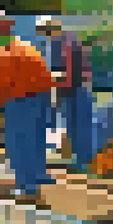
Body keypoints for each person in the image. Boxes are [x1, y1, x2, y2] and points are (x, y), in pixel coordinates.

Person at [0, 19, 55, 197]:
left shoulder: (5, 53)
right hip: (41, 97)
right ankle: (39, 175)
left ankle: (26, 185)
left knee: (19, 142)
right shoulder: (25, 46)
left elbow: (5, 84)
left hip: (22, 99)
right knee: (36, 138)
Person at [37, 18, 95, 171]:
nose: (44, 34)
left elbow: (66, 70)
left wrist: (56, 91)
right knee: (74, 126)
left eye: (45, 30)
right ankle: (81, 161)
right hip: (72, 89)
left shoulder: (65, 42)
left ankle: (84, 162)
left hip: (76, 89)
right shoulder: (59, 42)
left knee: (80, 127)